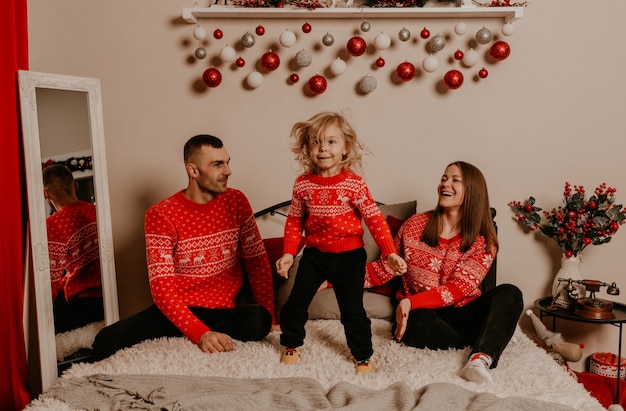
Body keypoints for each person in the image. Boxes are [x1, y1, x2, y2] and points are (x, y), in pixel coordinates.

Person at [92, 134, 276, 360]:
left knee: (260, 319)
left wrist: (273, 320)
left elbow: (257, 264)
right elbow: (162, 287)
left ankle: (208, 334)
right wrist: (200, 334)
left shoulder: (237, 201)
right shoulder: (160, 215)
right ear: (193, 171)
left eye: (227, 162)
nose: (228, 171)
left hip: (226, 311)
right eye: (218, 164)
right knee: (104, 341)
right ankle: (191, 333)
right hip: (179, 310)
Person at [364, 161, 523, 384]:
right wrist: (332, 279)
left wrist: (410, 302)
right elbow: (385, 268)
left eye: (455, 180)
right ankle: (491, 335)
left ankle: (480, 357)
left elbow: (457, 290)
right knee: (415, 325)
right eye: (443, 178)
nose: (445, 184)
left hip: (462, 310)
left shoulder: (483, 240)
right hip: (425, 314)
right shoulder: (414, 225)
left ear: (472, 191)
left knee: (510, 293)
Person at [276, 111, 407, 374]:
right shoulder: (303, 185)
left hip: (349, 257)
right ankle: (291, 343)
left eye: (331, 142)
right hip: (315, 256)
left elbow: (375, 221)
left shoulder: (354, 184)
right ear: (307, 148)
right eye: (315, 141)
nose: (323, 148)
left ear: (345, 148)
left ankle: (363, 356)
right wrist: (289, 253)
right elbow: (293, 221)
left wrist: (390, 252)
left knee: (352, 311)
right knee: (295, 303)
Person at [43, 164, 104, 334]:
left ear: (45, 194)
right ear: (75, 186)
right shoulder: (97, 211)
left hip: (83, 304)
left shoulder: (53, 224)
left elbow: (51, 279)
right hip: (109, 295)